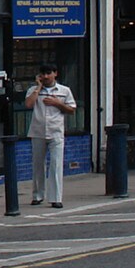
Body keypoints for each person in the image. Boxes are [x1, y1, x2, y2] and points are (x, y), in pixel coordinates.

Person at [24, 63, 76, 208]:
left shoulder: (64, 91)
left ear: (55, 73)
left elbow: (71, 110)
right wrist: (38, 88)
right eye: (43, 74)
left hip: (56, 132)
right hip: (38, 131)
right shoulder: (33, 90)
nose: (46, 77)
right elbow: (28, 104)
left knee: (56, 165)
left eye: (49, 73)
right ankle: (38, 195)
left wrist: (58, 103)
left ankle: (56, 198)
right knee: (38, 165)